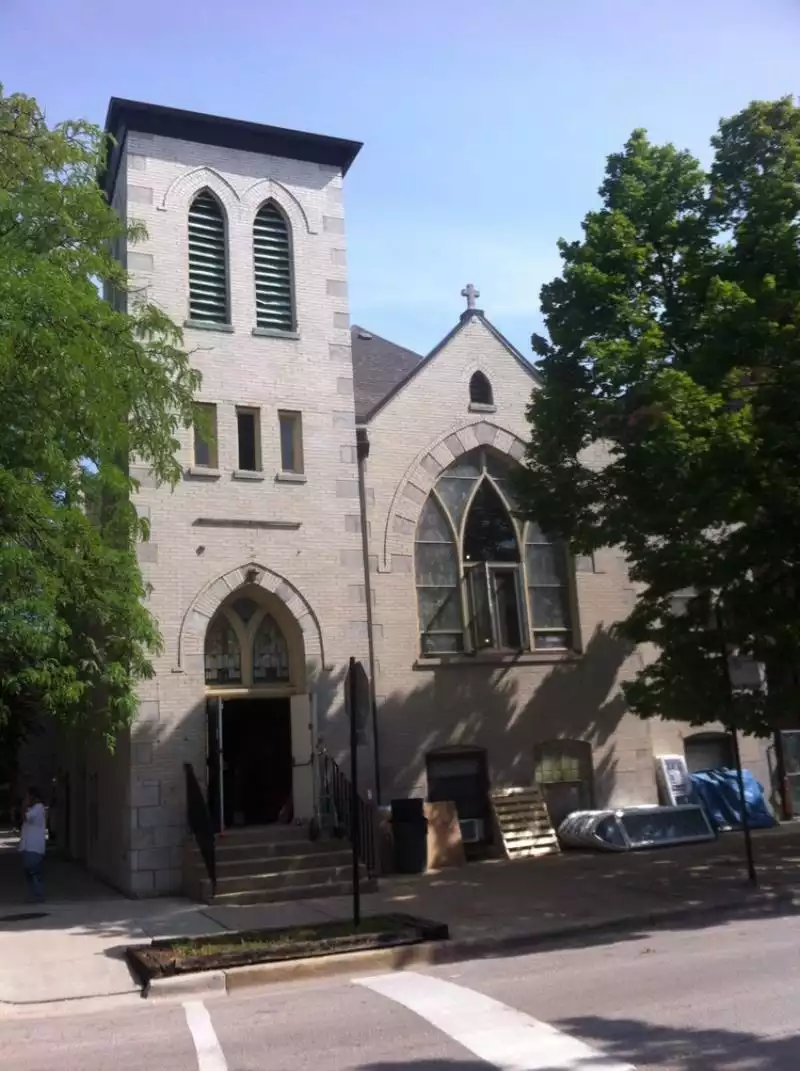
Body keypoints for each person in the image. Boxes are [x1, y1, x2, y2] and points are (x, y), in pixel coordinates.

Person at [18, 787, 46, 902]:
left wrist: (24, 805)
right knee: (28, 872)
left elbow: (26, 817)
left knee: (33, 871)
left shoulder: (38, 808)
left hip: (34, 847)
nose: (26, 799)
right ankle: (33, 895)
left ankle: (38, 895)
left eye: (27, 796)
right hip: (28, 846)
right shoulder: (33, 808)